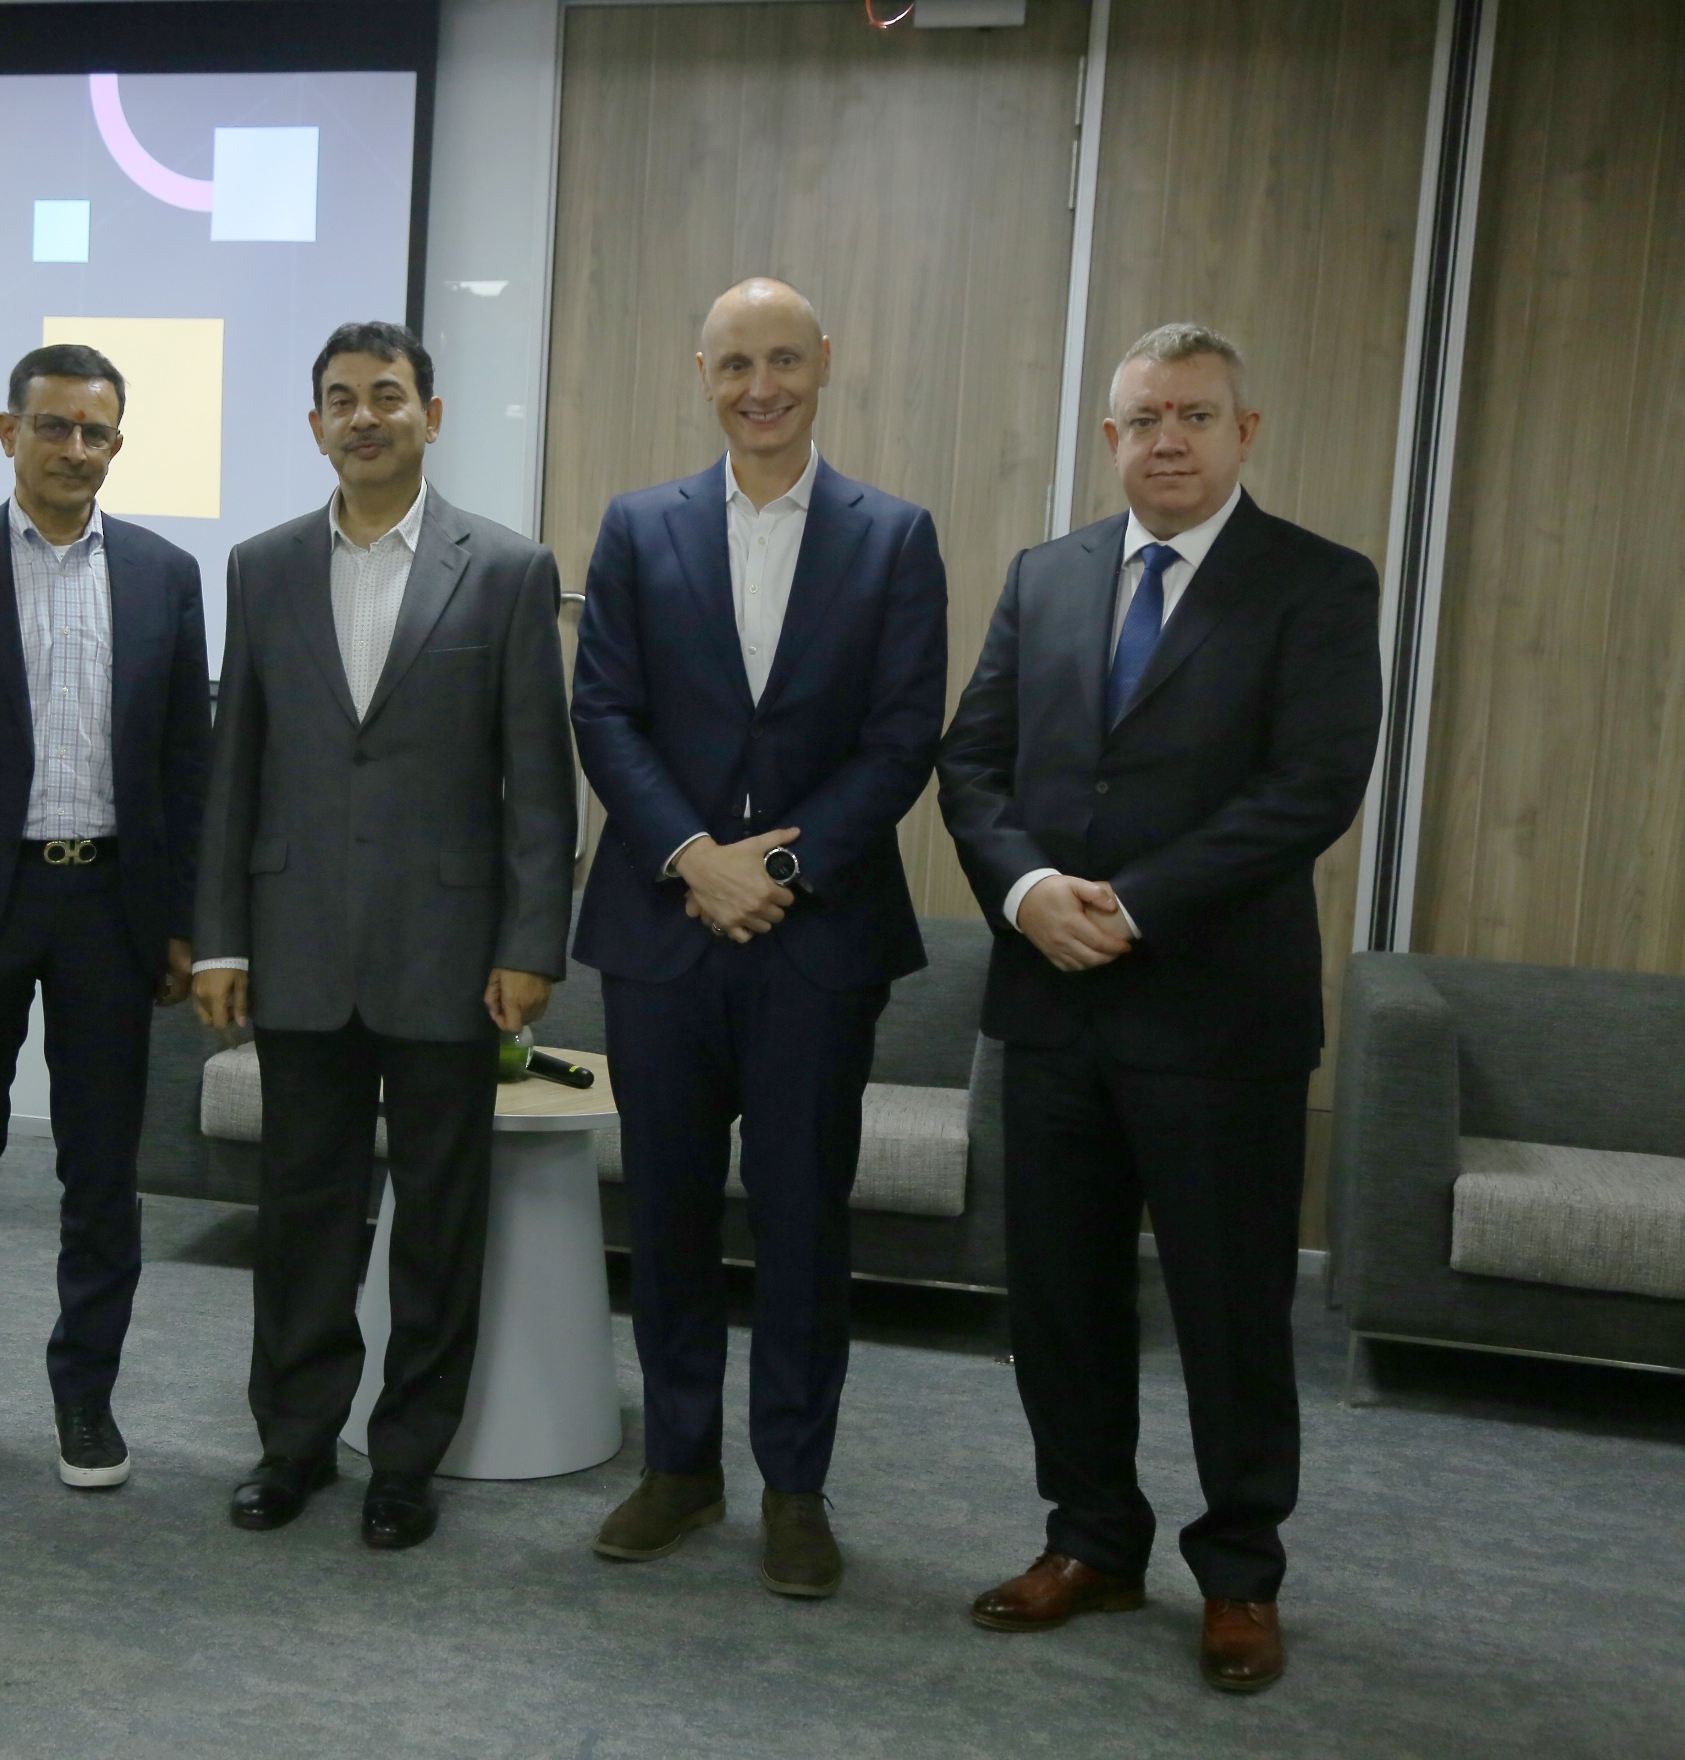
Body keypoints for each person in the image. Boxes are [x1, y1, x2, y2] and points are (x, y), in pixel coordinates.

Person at [937, 323, 1381, 1693]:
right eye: (1143, 419)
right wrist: (1024, 896)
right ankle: (1091, 1540)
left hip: (1217, 1022)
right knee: (1059, 1305)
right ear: (1112, 438)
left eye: (1195, 415)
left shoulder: (1315, 584)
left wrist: (1132, 903)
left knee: (1232, 1314)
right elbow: (974, 767)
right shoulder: (1048, 577)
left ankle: (1240, 1574)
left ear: (1248, 431)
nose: (1168, 439)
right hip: (1054, 1008)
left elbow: (1309, 789)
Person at [569, 278, 948, 1597]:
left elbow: (905, 737)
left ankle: (795, 1485)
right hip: (661, 932)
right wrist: (694, 859)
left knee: (800, 1222)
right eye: (735, 364)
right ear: (704, 374)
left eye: (783, 359)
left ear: (824, 364)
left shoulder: (895, 538)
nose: (761, 385)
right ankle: (679, 1466)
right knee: (665, 1215)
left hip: (814, 937)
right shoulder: (637, 527)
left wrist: (772, 865)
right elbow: (605, 711)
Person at [194, 321, 574, 1552]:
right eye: (341, 400)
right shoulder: (260, 565)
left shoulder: (507, 569)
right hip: (297, 941)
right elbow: (234, 765)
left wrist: (531, 941)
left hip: (452, 955)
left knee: (439, 1220)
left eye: (388, 396)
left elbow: (538, 779)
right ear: (315, 425)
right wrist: (218, 940)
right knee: (301, 1215)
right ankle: (293, 1444)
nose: (365, 416)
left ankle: (409, 1457)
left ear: (432, 413)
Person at [0, 344, 209, 1493]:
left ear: (118, 443)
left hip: (111, 904)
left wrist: (181, 919)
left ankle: (86, 1399)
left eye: (94, 432)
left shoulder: (166, 572)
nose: (74, 450)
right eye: (53, 427)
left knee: (100, 1167)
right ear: (7, 432)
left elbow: (184, 764)